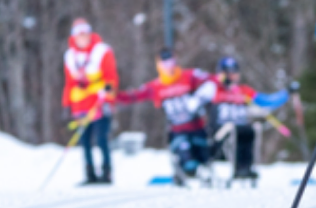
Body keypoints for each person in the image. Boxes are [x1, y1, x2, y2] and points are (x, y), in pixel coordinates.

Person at [117, 48, 217, 181]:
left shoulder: (190, 76)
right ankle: (187, 173)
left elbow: (213, 81)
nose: (169, 67)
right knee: (185, 154)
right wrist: (113, 95)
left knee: (204, 156)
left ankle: (203, 175)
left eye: (171, 62)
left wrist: (198, 99)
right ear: (159, 66)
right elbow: (135, 95)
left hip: (197, 128)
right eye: (165, 64)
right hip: (177, 131)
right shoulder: (156, 86)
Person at [210, 56, 289, 179]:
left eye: (235, 72)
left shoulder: (243, 91)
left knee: (251, 130)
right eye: (229, 73)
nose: (234, 76)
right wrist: (222, 82)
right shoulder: (214, 89)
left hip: (241, 129)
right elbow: (205, 83)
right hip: (220, 131)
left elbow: (266, 101)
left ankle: (245, 168)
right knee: (234, 130)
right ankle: (236, 166)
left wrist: (287, 93)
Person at [62, 18, 118, 184]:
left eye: (85, 34)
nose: (82, 38)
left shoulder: (102, 51)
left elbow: (111, 77)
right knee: (84, 141)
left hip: (99, 104)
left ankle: (106, 172)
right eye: (79, 35)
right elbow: (69, 82)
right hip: (80, 105)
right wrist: (66, 104)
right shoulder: (70, 56)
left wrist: (108, 94)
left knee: (101, 139)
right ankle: (89, 173)